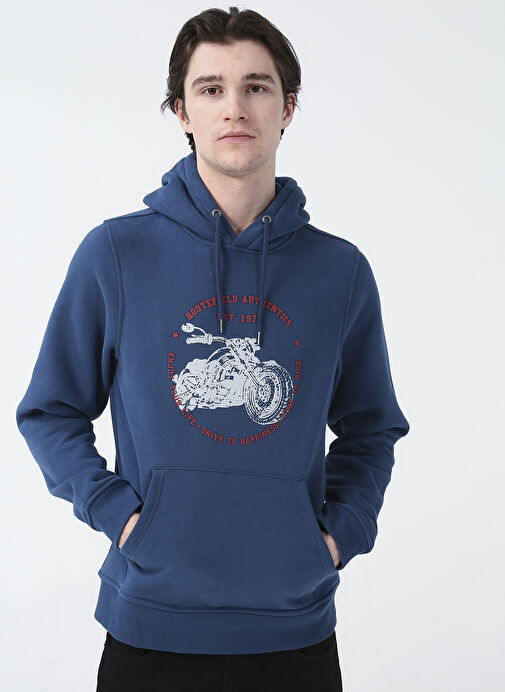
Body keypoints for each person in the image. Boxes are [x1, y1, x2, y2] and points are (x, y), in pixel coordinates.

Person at [15, 6, 410, 691]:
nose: (235, 107)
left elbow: (371, 427)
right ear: (182, 111)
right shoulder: (117, 253)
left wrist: (338, 534)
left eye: (256, 86)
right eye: (210, 88)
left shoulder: (339, 271)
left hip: (294, 632)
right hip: (149, 627)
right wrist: (120, 516)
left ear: (287, 108)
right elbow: (50, 410)